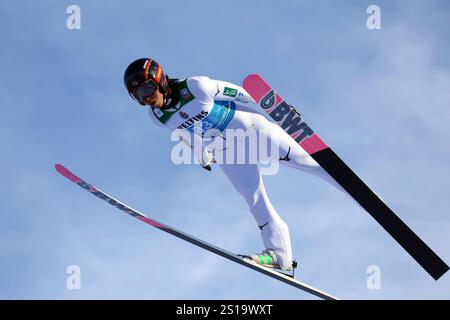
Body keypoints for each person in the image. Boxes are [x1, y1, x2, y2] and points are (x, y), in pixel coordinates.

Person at [123, 57, 344, 273]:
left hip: (253, 131)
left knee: (314, 164)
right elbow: (183, 133)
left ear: (160, 80)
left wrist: (278, 111)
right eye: (139, 96)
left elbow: (241, 93)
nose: (146, 98)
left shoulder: (195, 86)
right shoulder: (156, 117)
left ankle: (363, 197)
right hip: (226, 151)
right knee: (253, 197)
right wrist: (202, 154)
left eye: (147, 89)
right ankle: (279, 255)